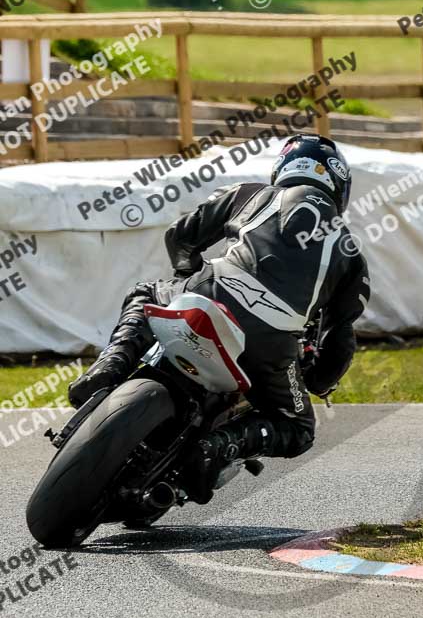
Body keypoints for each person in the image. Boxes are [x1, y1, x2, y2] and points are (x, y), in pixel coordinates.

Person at [69, 134, 370, 501]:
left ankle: (107, 370)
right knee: (298, 428)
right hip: (272, 341)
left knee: (145, 294)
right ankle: (217, 446)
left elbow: (181, 236)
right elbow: (340, 338)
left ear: (282, 169)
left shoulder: (250, 193)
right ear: (339, 185)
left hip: (210, 292)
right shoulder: (352, 254)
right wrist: (320, 381)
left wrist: (186, 278)